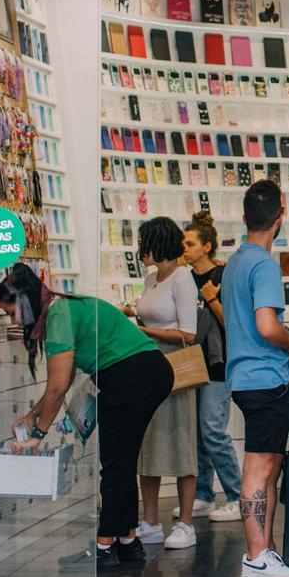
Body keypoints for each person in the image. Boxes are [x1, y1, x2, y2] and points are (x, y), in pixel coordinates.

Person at [0, 261, 173, 570]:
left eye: (11, 312)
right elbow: (58, 385)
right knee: (122, 461)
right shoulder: (62, 308)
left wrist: (37, 435)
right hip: (144, 371)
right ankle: (128, 543)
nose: (12, 319)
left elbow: (56, 389)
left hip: (130, 375)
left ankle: (104, 547)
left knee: (116, 464)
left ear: (24, 302)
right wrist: (31, 414)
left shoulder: (57, 318)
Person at [223, 179, 289, 577]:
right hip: (265, 378)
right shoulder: (263, 264)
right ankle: (257, 557)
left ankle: (265, 551)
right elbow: (266, 325)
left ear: (246, 218)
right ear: (280, 219)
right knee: (261, 468)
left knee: (267, 467)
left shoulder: (235, 262)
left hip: (245, 376)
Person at [129, 216, 199, 549]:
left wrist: (144, 331)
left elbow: (188, 333)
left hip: (176, 369)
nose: (140, 251)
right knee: (148, 443)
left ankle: (185, 522)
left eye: (144, 243)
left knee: (181, 441)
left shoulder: (183, 279)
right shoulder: (151, 279)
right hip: (150, 368)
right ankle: (151, 520)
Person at [183, 213, 242, 523]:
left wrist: (212, 300)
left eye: (190, 243)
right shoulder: (184, 278)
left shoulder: (221, 278)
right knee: (196, 435)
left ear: (207, 246)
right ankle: (204, 494)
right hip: (189, 363)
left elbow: (233, 324)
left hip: (218, 364)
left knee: (212, 430)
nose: (185, 248)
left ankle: (237, 494)